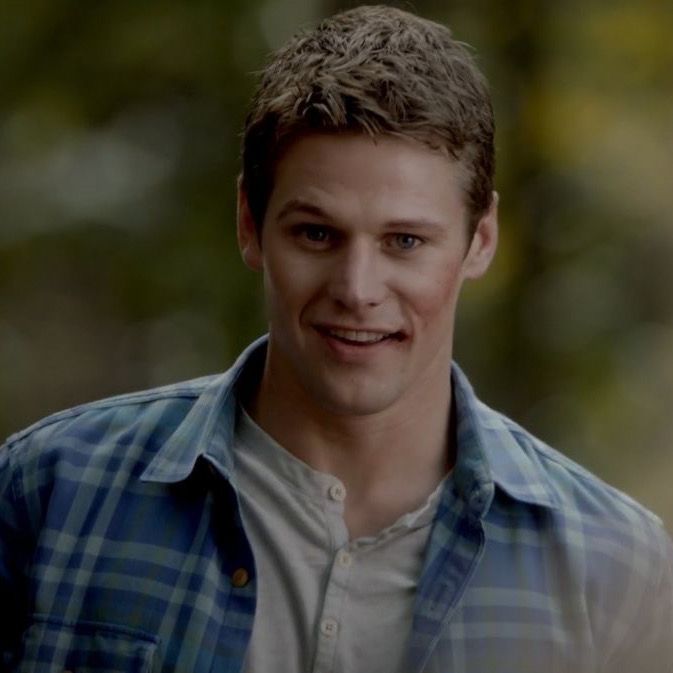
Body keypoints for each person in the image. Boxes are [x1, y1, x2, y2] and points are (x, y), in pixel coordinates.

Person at [1, 5, 671, 672]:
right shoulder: (49, 492)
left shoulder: (614, 567)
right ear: (248, 222)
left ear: (480, 240)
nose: (356, 287)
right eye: (316, 233)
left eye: (404, 241)